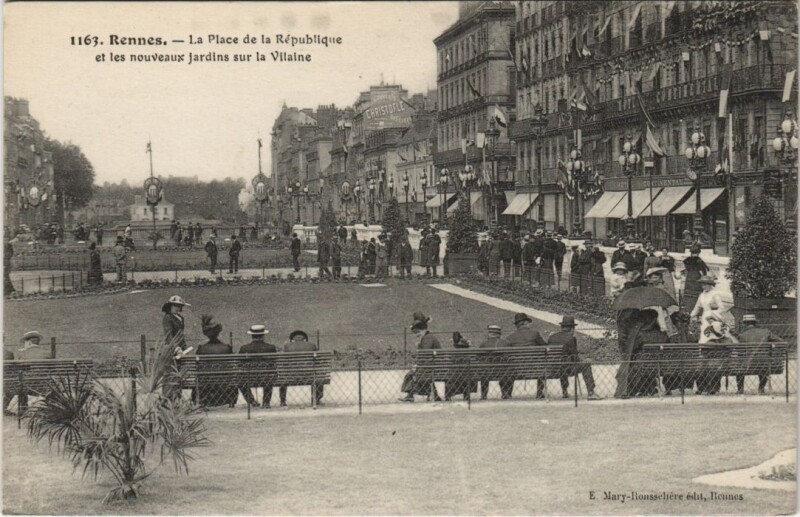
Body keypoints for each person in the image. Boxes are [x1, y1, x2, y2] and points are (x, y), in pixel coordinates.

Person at [549, 316, 602, 400]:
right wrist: (583, 360)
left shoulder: (552, 337)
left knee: (561, 364)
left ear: (562, 327)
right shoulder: (571, 338)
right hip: (566, 369)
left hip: (552, 369)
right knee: (585, 365)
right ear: (572, 329)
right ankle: (591, 392)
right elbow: (575, 358)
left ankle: (565, 391)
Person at [498, 313, 547, 399]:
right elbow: (545, 346)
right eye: (528, 322)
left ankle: (507, 393)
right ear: (524, 323)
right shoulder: (535, 334)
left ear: (517, 325)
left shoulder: (510, 337)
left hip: (516, 368)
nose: (529, 324)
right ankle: (539, 392)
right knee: (542, 364)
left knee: (507, 366)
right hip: (534, 367)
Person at [194, 315, 237, 407]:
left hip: (206, 388)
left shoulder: (201, 349)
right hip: (224, 388)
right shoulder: (227, 348)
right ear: (219, 333)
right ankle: (232, 403)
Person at [400, 312, 443, 402]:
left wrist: (417, 366)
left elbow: (425, 356)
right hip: (435, 366)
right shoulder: (428, 337)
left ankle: (410, 395)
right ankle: (433, 395)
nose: (416, 334)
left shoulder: (427, 339)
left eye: (417, 332)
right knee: (417, 373)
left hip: (432, 368)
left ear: (423, 330)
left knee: (413, 374)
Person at [736, 314, 783, 394]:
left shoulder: (742, 336)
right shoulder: (766, 332)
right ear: (755, 323)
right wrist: (772, 346)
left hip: (748, 365)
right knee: (762, 362)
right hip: (764, 364)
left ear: (744, 324)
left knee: (739, 366)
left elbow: (740, 353)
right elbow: (781, 342)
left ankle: (740, 389)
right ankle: (761, 388)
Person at [280, 330, 324, 407]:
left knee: (283, 377)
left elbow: (284, 363)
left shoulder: (287, 346)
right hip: (310, 375)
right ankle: (316, 399)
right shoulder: (312, 345)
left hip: (291, 376)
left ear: (292, 339)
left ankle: (282, 401)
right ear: (304, 339)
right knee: (318, 375)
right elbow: (318, 361)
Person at [239, 325, 278, 408]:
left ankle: (252, 401)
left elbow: (240, 363)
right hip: (267, 377)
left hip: (250, 377)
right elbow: (274, 361)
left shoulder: (244, 348)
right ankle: (266, 402)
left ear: (252, 335)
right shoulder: (270, 347)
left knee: (240, 382)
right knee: (269, 374)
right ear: (263, 335)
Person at [697, 321, 738, 395]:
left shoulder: (708, 343)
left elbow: (703, 354)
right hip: (725, 365)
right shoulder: (728, 341)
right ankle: (714, 387)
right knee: (715, 366)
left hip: (710, 366)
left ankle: (704, 388)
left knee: (707, 365)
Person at [444, 332, 476, 401]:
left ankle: (448, 396)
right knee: (466, 375)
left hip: (454, 375)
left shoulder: (453, 353)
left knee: (452, 376)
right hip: (467, 375)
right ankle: (466, 395)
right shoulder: (467, 352)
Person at [477, 325, 502, 399]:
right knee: (506, 370)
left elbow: (478, 358)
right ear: (499, 334)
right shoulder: (505, 343)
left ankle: (484, 395)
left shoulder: (483, 344)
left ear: (489, 334)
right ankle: (506, 393)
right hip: (502, 371)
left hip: (487, 372)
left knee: (484, 369)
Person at [682, 245, 709, 311]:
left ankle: (688, 308)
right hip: (697, 277)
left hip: (689, 277)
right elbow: (701, 270)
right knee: (697, 294)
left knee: (689, 293)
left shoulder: (687, 260)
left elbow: (686, 269)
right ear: (698, 252)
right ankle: (696, 309)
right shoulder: (698, 261)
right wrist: (704, 277)